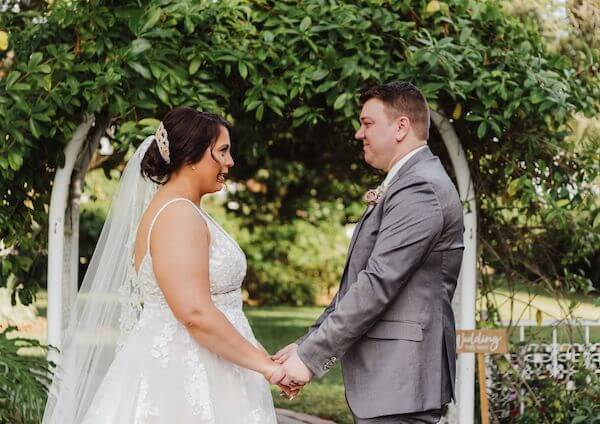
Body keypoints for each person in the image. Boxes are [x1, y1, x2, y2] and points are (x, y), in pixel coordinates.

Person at [43, 107, 283, 423]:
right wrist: (266, 367)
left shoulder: (182, 209)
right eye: (222, 151)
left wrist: (260, 358)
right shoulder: (177, 215)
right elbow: (194, 313)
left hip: (213, 363)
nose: (230, 162)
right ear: (192, 155)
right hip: (185, 374)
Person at [273, 81, 465, 424]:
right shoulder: (408, 182)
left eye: (368, 123)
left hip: (401, 383)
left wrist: (310, 359)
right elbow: (357, 282)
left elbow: (377, 284)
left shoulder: (421, 187)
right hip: (390, 385)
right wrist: (308, 344)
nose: (358, 133)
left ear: (401, 126)